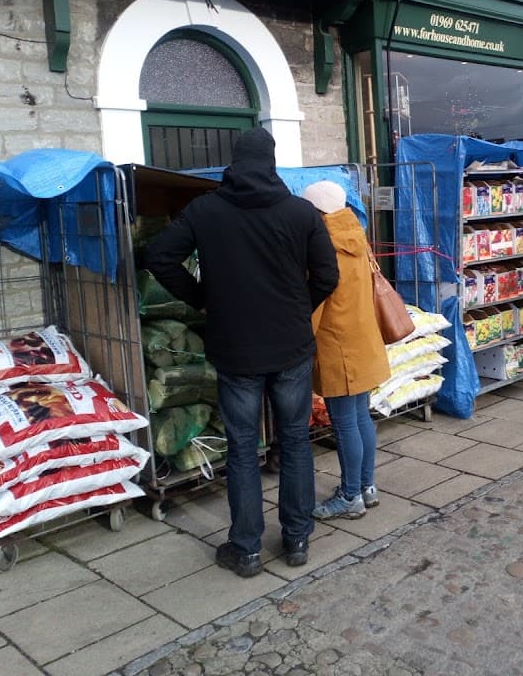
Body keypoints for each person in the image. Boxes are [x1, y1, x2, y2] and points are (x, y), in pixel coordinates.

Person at [144, 128, 339, 577]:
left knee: (243, 447)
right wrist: (297, 309)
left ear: (234, 162)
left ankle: (247, 548)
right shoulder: (300, 212)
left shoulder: (206, 210)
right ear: (271, 162)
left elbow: (159, 256)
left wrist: (199, 297)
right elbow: (327, 276)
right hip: (290, 345)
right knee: (293, 441)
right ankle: (297, 539)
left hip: (235, 348)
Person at [301, 181, 391, 519]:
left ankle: (350, 495)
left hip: (338, 343)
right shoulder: (355, 233)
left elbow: (318, 299)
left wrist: (299, 338)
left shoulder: (322, 242)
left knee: (344, 424)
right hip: (363, 338)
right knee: (360, 416)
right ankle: (367, 487)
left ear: (316, 210)